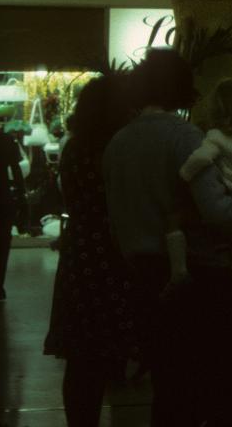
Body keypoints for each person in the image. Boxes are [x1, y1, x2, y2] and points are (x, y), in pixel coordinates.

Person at [102, 49, 232, 427]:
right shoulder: (186, 138)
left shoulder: (118, 142)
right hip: (197, 280)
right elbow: (216, 211)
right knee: (218, 389)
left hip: (143, 277)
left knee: (169, 390)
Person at [44, 75, 139, 427]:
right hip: (110, 251)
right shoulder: (115, 148)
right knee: (105, 348)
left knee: (82, 355)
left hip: (80, 251)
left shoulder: (75, 147)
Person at [167, 77, 232, 285]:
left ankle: (231, 266)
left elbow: (200, 158)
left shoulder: (215, 138)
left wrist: (183, 174)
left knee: (222, 233)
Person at [0, 102, 24, 301]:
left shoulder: (4, 141)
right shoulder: (6, 141)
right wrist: (22, 199)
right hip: (1, 200)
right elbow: (16, 173)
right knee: (1, 246)